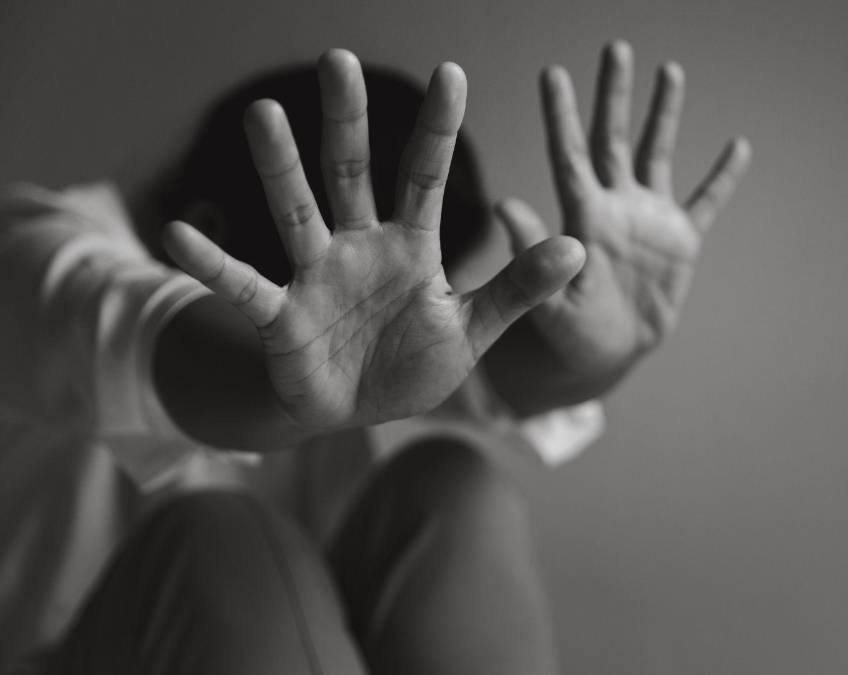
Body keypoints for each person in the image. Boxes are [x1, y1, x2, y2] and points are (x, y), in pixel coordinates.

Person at [0, 41, 751, 674]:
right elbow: (153, 342)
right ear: (209, 226)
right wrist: (288, 378)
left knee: (452, 486)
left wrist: (597, 353)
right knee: (219, 543)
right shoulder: (36, 249)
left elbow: (479, 374)